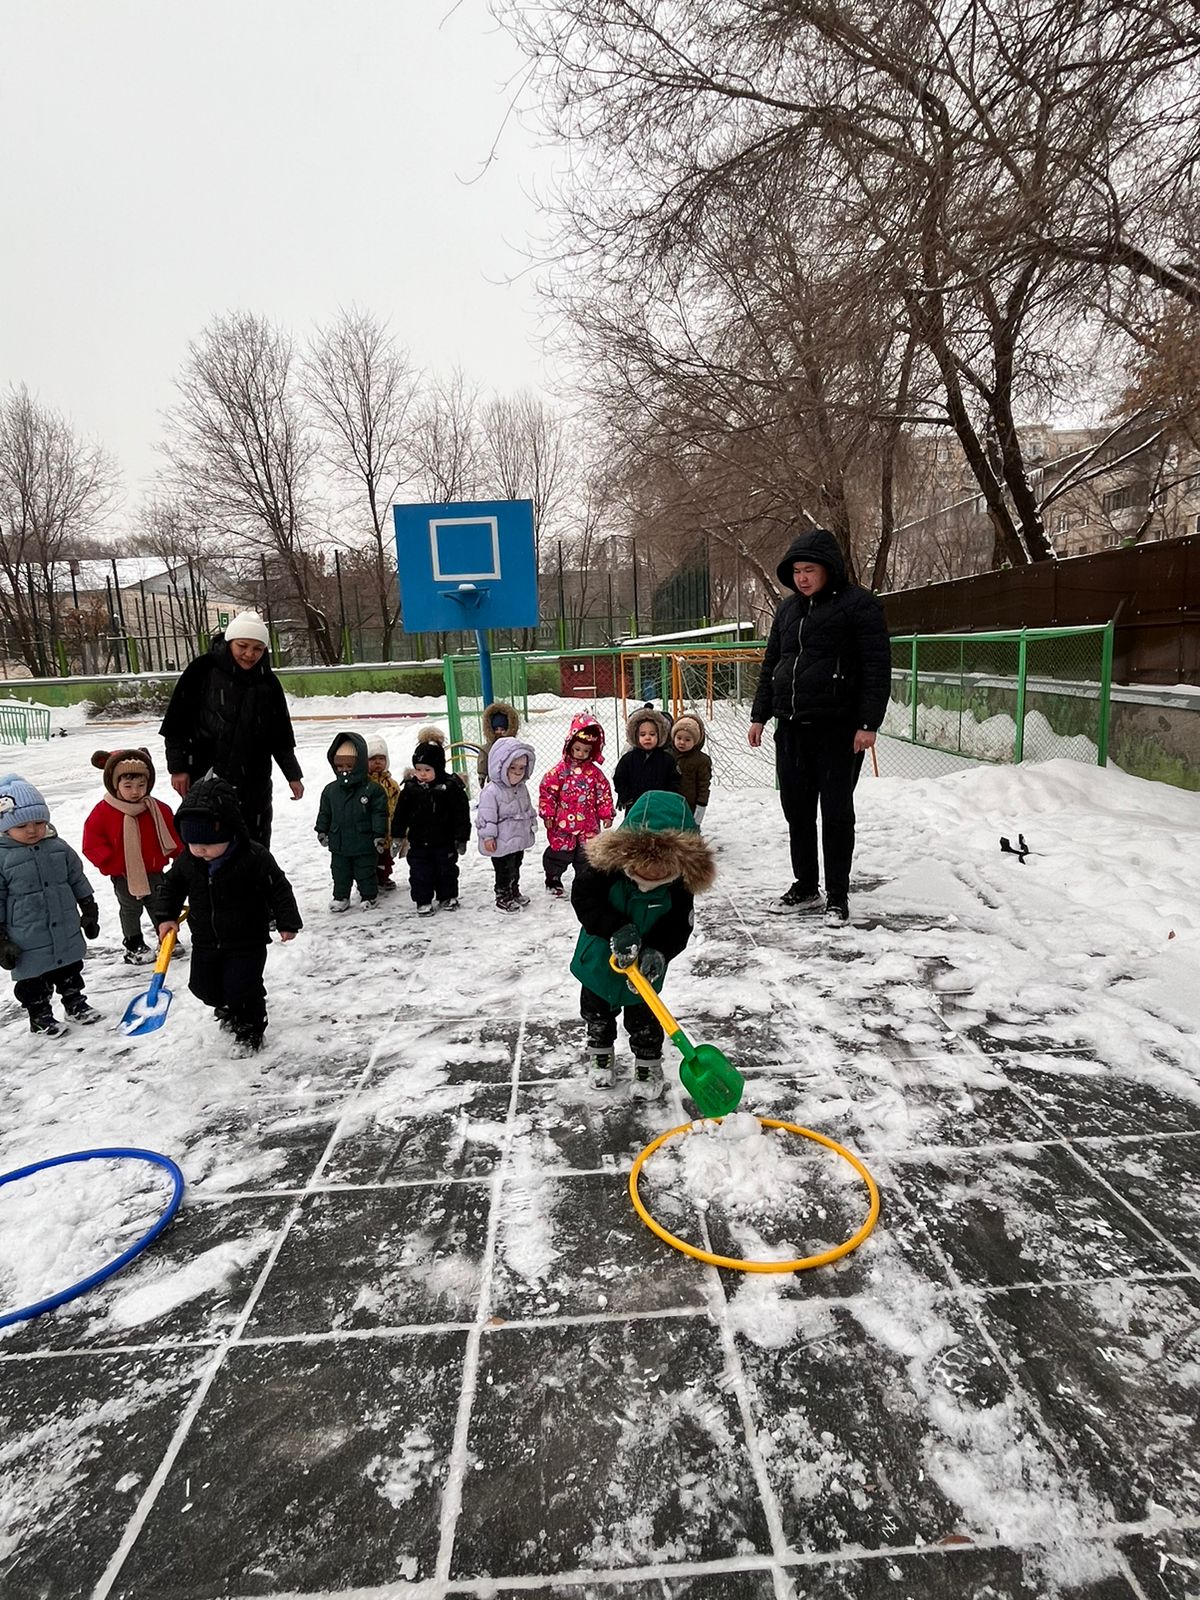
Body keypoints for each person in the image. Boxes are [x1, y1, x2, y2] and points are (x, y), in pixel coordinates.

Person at [748, 528, 890, 924]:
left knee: (836, 813)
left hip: (838, 730)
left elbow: (877, 668)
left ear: (828, 569)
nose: (802, 578)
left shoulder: (859, 606)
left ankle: (837, 896)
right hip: (792, 728)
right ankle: (806, 886)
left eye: (809, 570)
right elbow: (772, 663)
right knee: (797, 811)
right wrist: (760, 715)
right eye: (796, 571)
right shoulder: (787, 611)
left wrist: (868, 723)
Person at [570, 790, 716, 1098]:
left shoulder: (679, 887)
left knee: (646, 1018)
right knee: (596, 1011)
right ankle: (600, 1052)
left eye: (663, 867)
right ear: (627, 852)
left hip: (644, 967)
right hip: (599, 958)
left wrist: (660, 952)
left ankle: (648, 1062)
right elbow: (584, 899)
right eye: (644, 863)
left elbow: (679, 926)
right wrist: (615, 927)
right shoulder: (603, 870)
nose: (651, 875)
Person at [151, 776, 301, 1057]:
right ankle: (231, 1006)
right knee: (202, 987)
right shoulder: (189, 860)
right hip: (206, 939)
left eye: (207, 843)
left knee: (243, 987)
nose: (199, 850)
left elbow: (278, 887)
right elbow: (171, 887)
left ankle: (251, 1027)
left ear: (230, 831)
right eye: (192, 843)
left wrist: (287, 920)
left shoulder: (253, 856)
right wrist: (165, 916)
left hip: (247, 939)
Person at [158, 611, 304, 848]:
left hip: (254, 783)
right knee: (207, 843)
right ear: (229, 642)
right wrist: (178, 768)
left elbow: (280, 736)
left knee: (253, 845)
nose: (250, 654)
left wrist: (293, 775)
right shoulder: (202, 670)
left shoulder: (268, 682)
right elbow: (177, 725)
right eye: (243, 646)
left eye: (258, 649)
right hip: (206, 776)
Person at [0, 774, 102, 1036]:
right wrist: (1, 940)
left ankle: (75, 1003)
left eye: (39, 822)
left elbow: (77, 879)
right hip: (26, 936)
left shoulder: (59, 848)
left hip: (64, 925)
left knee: (70, 969)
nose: (32, 830)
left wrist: (89, 908)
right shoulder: (2, 858)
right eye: (22, 825)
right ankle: (40, 1016)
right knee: (33, 982)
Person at [82, 748, 185, 964]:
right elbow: (92, 842)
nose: (135, 792)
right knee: (130, 909)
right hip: (124, 874)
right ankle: (134, 943)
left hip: (154, 870)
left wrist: (181, 855)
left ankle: (166, 937)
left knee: (160, 904)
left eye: (141, 785)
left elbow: (174, 833)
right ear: (115, 784)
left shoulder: (157, 809)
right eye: (128, 786)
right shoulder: (103, 811)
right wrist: (111, 862)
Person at [392, 728, 471, 916]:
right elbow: (400, 814)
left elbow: (461, 815)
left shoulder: (450, 788)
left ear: (438, 767)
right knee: (420, 873)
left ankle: (447, 896)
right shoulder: (411, 789)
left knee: (447, 871)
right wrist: (397, 836)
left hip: (445, 841)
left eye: (427, 770)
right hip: (419, 842)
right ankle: (423, 900)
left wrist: (461, 838)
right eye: (419, 769)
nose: (422, 774)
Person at [538, 713, 614, 897]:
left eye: (586, 751)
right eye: (577, 749)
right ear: (570, 746)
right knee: (559, 853)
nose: (581, 754)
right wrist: (548, 814)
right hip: (563, 824)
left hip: (588, 824)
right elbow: (547, 792)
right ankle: (553, 878)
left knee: (586, 856)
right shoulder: (559, 772)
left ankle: (584, 882)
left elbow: (603, 794)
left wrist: (606, 814)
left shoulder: (595, 774)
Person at [315, 732, 389, 913]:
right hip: (339, 842)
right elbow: (325, 813)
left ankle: (369, 896)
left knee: (365, 871)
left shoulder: (372, 790)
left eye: (349, 766)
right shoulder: (331, 791)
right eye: (340, 766)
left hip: (364, 841)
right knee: (340, 872)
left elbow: (379, 814)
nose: (344, 770)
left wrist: (379, 834)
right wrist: (322, 830)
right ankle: (341, 896)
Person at [476, 735, 537, 912]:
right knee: (504, 869)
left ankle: (513, 890)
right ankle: (502, 896)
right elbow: (486, 816)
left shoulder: (521, 788)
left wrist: (531, 822)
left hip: (518, 837)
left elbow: (527, 807)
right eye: (513, 768)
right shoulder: (491, 791)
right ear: (500, 767)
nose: (518, 773)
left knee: (516, 866)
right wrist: (488, 837)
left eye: (522, 768)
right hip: (500, 841)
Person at [613, 708, 681, 813]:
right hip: (635, 805)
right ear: (635, 736)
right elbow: (619, 778)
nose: (648, 738)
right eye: (643, 734)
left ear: (660, 735)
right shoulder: (628, 759)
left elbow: (674, 780)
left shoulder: (667, 759)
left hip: (660, 806)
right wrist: (625, 795)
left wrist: (668, 797)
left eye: (652, 734)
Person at [366, 734, 403, 893]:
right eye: (373, 759)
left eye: (381, 758)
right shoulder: (364, 783)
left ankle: (384, 877)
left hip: (388, 829)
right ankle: (368, 880)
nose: (377, 762)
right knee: (368, 858)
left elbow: (399, 804)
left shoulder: (391, 784)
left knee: (386, 858)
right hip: (369, 830)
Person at [671, 713, 712, 828]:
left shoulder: (701, 760)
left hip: (690, 803)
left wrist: (701, 803)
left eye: (687, 740)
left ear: (695, 741)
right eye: (679, 738)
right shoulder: (668, 755)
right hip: (670, 800)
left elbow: (703, 784)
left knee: (689, 827)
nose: (682, 742)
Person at [475, 700, 522, 783]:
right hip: (493, 781)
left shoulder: (513, 747)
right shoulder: (488, 747)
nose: (499, 732)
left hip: (511, 780)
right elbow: (483, 760)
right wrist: (482, 775)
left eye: (502, 729)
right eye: (496, 729)